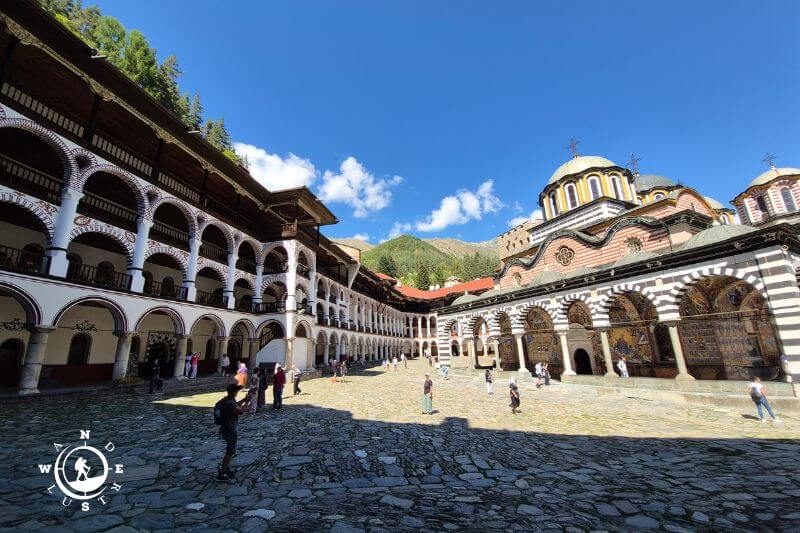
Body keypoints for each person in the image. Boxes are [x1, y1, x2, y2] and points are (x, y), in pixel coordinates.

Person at [215, 383, 247, 482]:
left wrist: (245, 399)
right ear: (233, 392)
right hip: (229, 429)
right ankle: (222, 473)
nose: (238, 392)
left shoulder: (227, 400)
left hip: (227, 428)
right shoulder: (230, 403)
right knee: (230, 451)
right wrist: (247, 402)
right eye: (237, 390)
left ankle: (226, 468)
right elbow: (240, 411)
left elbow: (236, 406)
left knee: (231, 450)